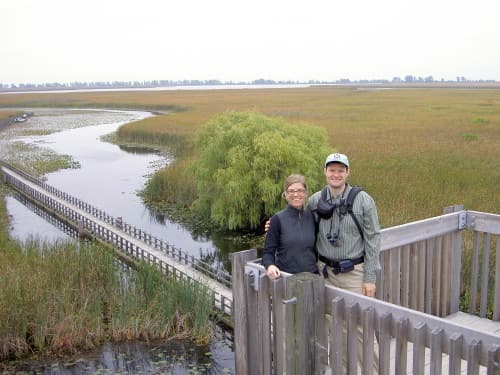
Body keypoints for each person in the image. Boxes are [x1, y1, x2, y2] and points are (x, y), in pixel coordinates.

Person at [309, 152, 381, 296]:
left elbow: (373, 238)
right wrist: (275, 225)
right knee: (327, 317)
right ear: (325, 171)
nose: (336, 175)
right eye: (332, 170)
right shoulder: (315, 201)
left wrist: (370, 278)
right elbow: (299, 227)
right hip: (325, 274)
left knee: (356, 317)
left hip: (354, 275)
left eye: (341, 170)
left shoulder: (364, 201)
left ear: (348, 172)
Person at [262, 174, 319, 280]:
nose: (296, 194)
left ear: (306, 193)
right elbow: (268, 253)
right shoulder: (277, 219)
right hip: (287, 278)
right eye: (291, 191)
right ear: (285, 194)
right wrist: (270, 266)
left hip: (312, 277)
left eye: (300, 190)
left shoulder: (311, 217)